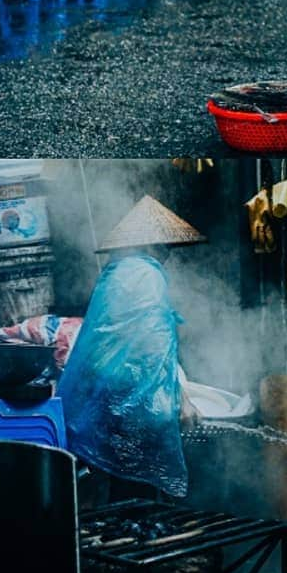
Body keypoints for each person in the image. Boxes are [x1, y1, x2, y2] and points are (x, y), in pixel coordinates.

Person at [57, 194, 204, 501]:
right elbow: (153, 348)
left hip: (98, 398)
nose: (167, 255)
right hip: (131, 398)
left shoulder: (114, 274)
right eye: (165, 248)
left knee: (111, 489)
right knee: (138, 492)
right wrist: (181, 399)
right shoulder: (146, 275)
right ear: (151, 245)